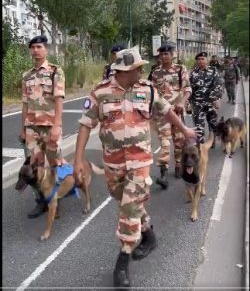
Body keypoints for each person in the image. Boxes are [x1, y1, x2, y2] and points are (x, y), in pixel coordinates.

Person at [73, 48, 196, 288]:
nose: (142, 70)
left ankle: (122, 260)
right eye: (138, 67)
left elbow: (167, 111)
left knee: (129, 210)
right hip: (113, 163)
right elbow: (86, 125)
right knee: (127, 204)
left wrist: (184, 130)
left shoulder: (147, 90)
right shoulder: (100, 93)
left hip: (140, 162)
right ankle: (149, 235)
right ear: (125, 70)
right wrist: (78, 160)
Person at [19, 35, 65, 218]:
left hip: (49, 126)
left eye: (39, 47)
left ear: (46, 50)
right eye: (33, 47)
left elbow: (59, 100)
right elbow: (24, 103)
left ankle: (55, 201)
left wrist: (57, 126)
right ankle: (41, 201)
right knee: (34, 167)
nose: (35, 50)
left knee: (53, 165)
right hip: (32, 128)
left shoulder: (55, 71)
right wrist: (23, 128)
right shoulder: (26, 75)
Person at [150, 43, 192, 189]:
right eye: (161, 54)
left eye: (166, 54)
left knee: (179, 142)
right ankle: (163, 172)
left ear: (172, 54)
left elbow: (187, 89)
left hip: (177, 112)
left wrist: (182, 101)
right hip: (162, 114)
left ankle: (179, 163)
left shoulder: (181, 70)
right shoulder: (155, 72)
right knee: (165, 143)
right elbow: (151, 93)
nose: (163, 56)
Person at [189, 52, 223, 147]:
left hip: (210, 103)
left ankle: (212, 139)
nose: (200, 61)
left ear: (207, 60)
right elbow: (189, 88)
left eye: (202, 59)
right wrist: (188, 103)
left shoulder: (213, 70)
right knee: (199, 126)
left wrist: (216, 99)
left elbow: (218, 85)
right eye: (198, 59)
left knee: (213, 124)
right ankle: (200, 146)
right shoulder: (193, 73)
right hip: (197, 104)